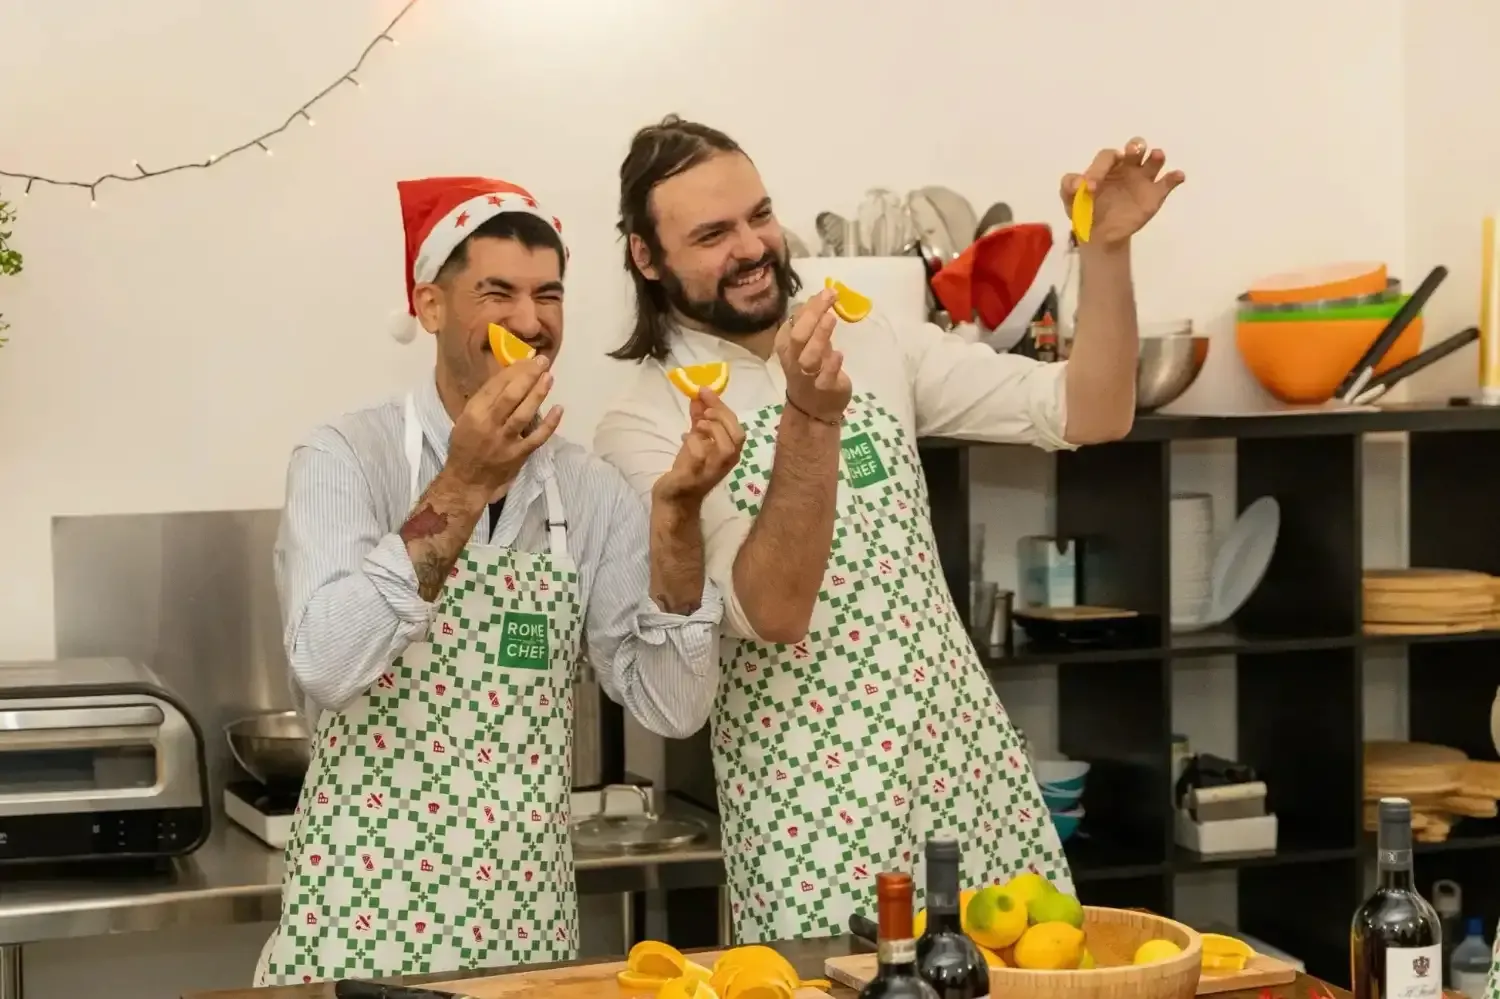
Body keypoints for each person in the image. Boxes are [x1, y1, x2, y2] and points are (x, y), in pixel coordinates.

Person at [594, 117, 1184, 942]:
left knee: (1037, 975)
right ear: (646, 257)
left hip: (963, 760)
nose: (753, 246)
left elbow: (1092, 409)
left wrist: (1107, 252)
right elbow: (772, 611)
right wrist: (809, 417)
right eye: (713, 233)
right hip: (814, 806)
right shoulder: (643, 423)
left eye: (759, 215)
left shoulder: (870, 339)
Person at [256, 175, 744, 984]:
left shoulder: (586, 490)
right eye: (498, 292)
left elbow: (674, 701)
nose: (529, 321)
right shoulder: (345, 457)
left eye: (548, 295)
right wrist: (460, 484)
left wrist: (681, 517)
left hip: (525, 945)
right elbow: (327, 661)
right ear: (431, 306)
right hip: (355, 938)